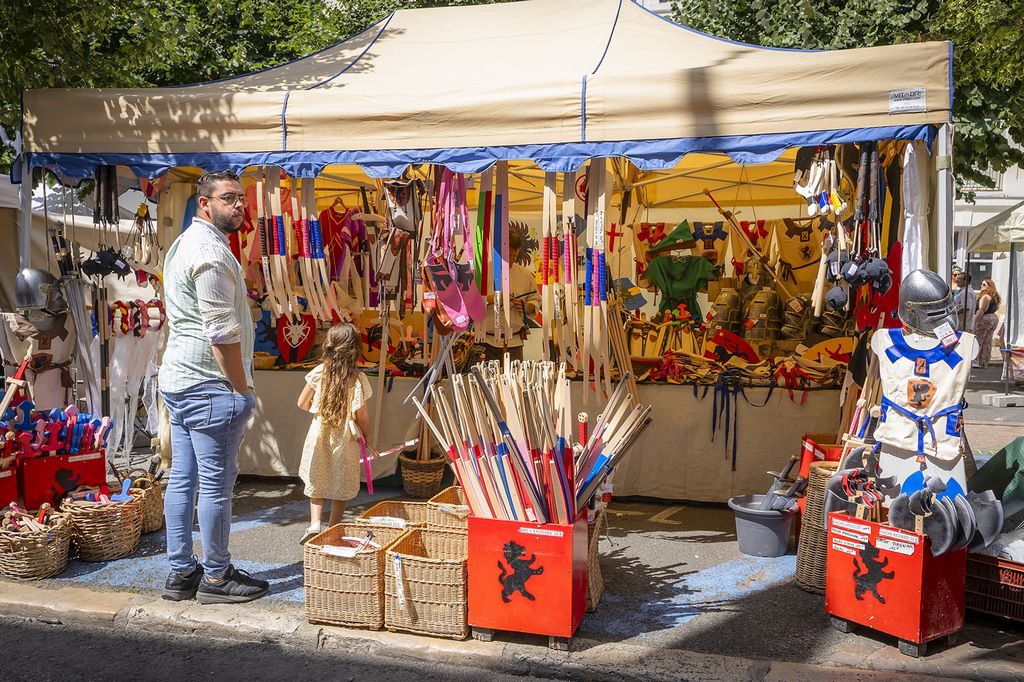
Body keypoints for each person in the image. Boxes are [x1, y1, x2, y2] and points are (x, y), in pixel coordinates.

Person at [159, 170, 268, 605]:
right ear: (204, 203)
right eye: (228, 198)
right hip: (207, 383)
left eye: (240, 199)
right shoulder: (209, 252)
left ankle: (181, 572)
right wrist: (242, 392)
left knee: (183, 480)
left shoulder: (188, 244)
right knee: (215, 485)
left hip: (182, 379)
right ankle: (217, 578)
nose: (238, 205)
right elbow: (221, 333)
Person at [296, 323, 374, 544]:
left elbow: (301, 403)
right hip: (344, 438)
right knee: (341, 484)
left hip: (319, 433)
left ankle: (314, 524)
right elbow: (362, 413)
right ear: (354, 349)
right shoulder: (357, 378)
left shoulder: (319, 372)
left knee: (317, 478)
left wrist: (318, 408)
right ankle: (333, 528)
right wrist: (368, 435)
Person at [476, 229, 540, 363]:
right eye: (507, 255)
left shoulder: (525, 275)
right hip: (486, 341)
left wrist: (525, 306)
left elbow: (534, 300)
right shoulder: (483, 273)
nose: (510, 259)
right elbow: (470, 303)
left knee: (515, 382)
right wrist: (489, 299)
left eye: (514, 255)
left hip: (514, 342)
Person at [973, 278, 1002, 368]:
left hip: (984, 318)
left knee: (978, 340)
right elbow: (996, 308)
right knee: (987, 341)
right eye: (981, 284)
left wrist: (975, 320)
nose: (981, 286)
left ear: (990, 286)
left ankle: (975, 360)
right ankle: (984, 362)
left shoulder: (986, 297)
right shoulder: (995, 297)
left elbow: (982, 309)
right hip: (993, 318)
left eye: (984, 284)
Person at [951, 268, 976, 332]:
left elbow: (965, 307)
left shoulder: (966, 292)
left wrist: (953, 314)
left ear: (965, 281)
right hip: (961, 324)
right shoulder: (962, 291)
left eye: (959, 279)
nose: (957, 280)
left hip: (963, 324)